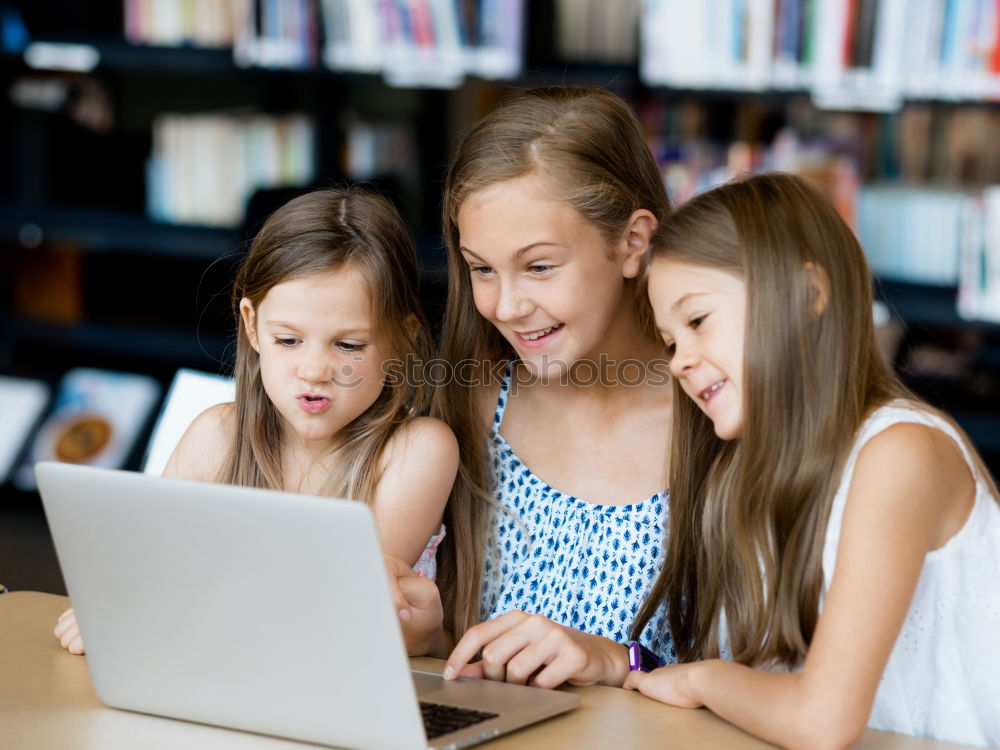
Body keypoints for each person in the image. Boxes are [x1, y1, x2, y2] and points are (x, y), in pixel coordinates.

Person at [627, 172, 1000, 748]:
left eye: (698, 321)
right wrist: (623, 665)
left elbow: (820, 720)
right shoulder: (745, 471)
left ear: (807, 296)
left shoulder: (900, 452)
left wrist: (704, 679)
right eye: (671, 342)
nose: (677, 362)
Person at [54, 187, 459, 655]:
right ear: (252, 325)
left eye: (349, 346)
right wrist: (113, 606)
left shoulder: (418, 450)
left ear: (400, 341)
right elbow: (147, 565)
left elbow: (340, 608)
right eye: (288, 340)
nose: (315, 371)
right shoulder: (215, 436)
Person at [390, 85, 677, 687]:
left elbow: (771, 676)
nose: (509, 305)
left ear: (633, 242)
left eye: (540, 265)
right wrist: (431, 635)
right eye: (482, 269)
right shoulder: (468, 407)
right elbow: (474, 647)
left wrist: (617, 662)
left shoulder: (717, 415)